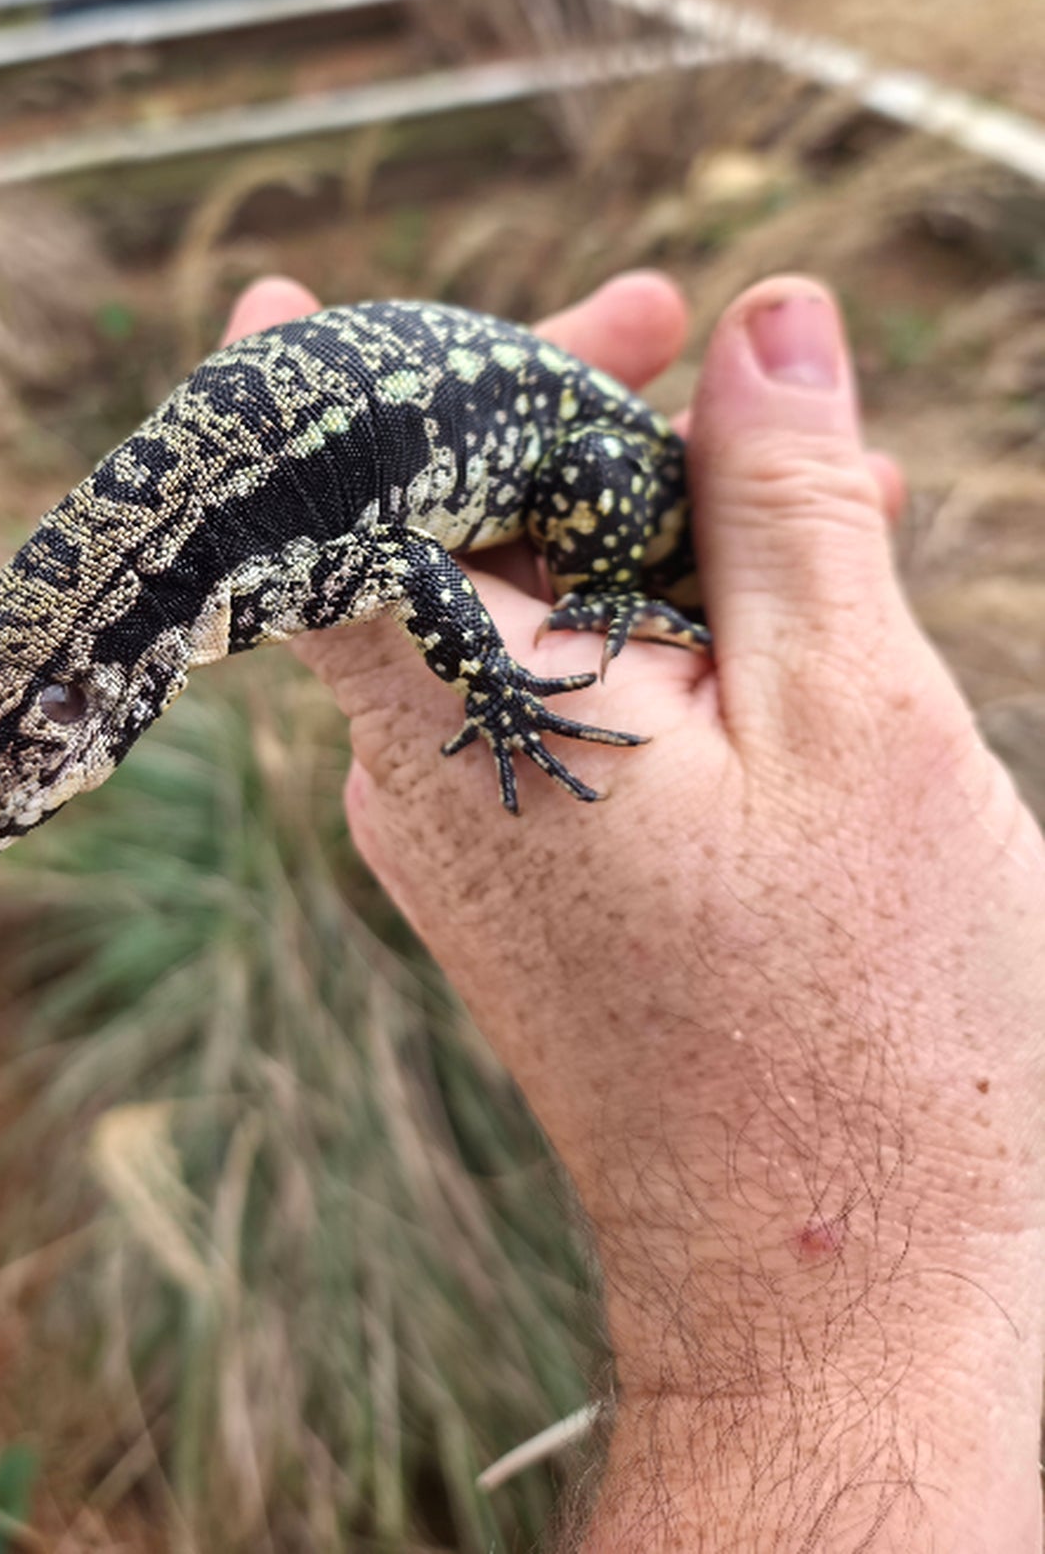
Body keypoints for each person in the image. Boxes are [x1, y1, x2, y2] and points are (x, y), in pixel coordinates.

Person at [222, 270, 1045, 1553]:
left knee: (608, 477)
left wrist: (517, 672)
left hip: (591, 471)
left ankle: (614, 580)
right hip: (539, 460)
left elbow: (418, 541)